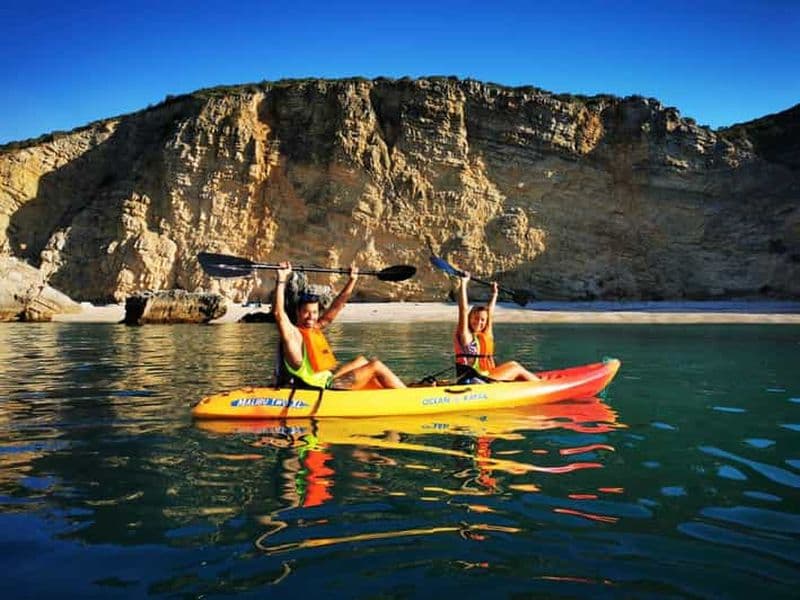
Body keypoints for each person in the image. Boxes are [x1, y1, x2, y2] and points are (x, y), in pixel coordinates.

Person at [273, 261, 406, 390]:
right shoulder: (292, 335)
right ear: (297, 312)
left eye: (314, 312)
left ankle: (383, 390)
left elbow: (336, 307)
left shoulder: (314, 328)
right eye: (306, 312)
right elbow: (279, 314)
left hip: (330, 380)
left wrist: (352, 280)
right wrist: (281, 278)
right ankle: (408, 397)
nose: (311, 317)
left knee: (362, 360)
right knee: (376, 365)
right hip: (326, 387)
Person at [455, 272, 539, 382]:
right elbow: (463, 309)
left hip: (486, 376)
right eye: (475, 318)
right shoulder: (466, 337)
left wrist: (494, 294)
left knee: (514, 366)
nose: (479, 322)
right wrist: (463, 283)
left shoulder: (486, 334)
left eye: (482, 320)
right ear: (469, 318)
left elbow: (490, 312)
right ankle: (543, 386)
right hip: (478, 379)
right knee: (515, 366)